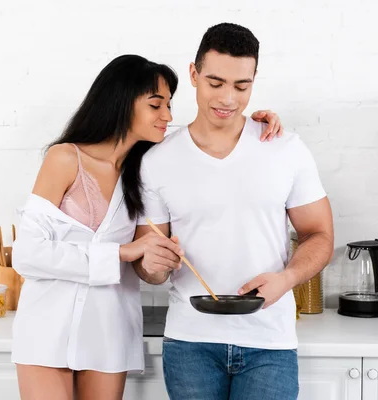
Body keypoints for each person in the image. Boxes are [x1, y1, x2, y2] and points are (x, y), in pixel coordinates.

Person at [11, 54, 284, 400]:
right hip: (47, 328)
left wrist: (253, 126)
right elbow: (28, 254)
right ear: (122, 102)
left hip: (110, 331)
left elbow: (209, 147)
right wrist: (123, 252)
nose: (168, 116)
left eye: (169, 105)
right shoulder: (65, 159)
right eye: (156, 105)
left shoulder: (147, 170)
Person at [133, 23, 334, 400]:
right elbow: (149, 268)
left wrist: (288, 278)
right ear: (193, 74)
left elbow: (319, 234)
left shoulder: (284, 148)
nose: (227, 98)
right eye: (215, 83)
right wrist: (154, 264)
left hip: (269, 343)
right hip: (190, 344)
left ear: (254, 80)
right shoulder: (157, 161)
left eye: (242, 87)